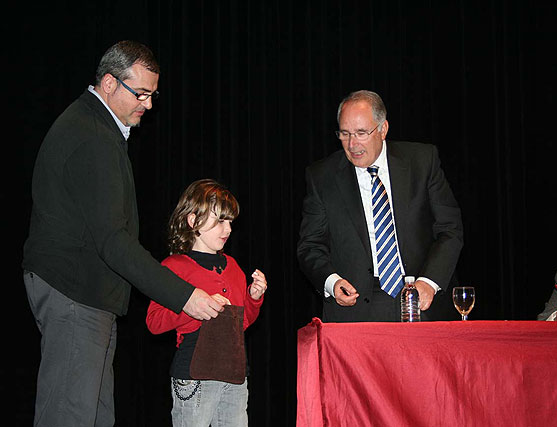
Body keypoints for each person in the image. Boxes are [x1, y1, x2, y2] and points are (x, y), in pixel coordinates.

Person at [22, 41, 227, 426]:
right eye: (142, 93)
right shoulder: (91, 136)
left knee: (96, 416)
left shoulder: (96, 128)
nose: (148, 105)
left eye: (153, 94)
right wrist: (184, 296)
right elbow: (113, 241)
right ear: (109, 82)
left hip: (86, 296)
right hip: (74, 293)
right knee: (69, 417)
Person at [297, 90, 464, 322]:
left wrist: (429, 282)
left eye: (361, 133)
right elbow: (310, 246)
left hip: (421, 299)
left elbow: (450, 229)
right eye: (344, 134)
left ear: (383, 129)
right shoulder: (322, 177)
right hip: (357, 309)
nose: (352, 144)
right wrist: (332, 282)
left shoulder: (422, 161)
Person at [146, 179, 267, 427]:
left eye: (230, 221)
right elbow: (154, 322)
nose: (228, 229)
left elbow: (241, 323)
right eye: (220, 220)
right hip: (195, 376)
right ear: (193, 221)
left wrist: (254, 299)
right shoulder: (174, 267)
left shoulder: (233, 267)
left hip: (234, 375)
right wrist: (193, 308)